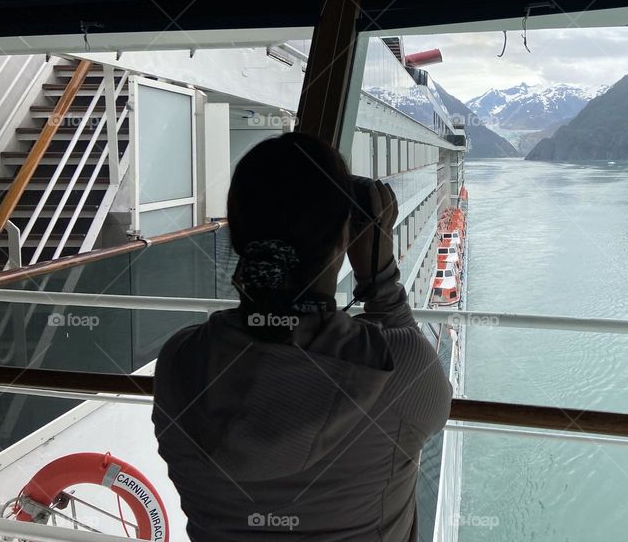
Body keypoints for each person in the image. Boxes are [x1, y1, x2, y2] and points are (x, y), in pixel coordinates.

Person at [152, 132, 453, 541]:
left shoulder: (180, 361)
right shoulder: (397, 367)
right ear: (346, 238)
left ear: (238, 238)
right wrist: (380, 278)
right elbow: (432, 405)